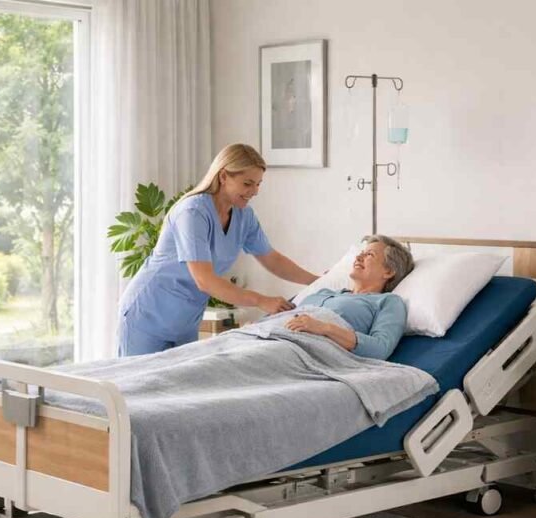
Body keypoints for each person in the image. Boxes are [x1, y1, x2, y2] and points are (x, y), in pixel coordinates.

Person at [117, 143, 318, 356]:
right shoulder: (193, 213)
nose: (255, 192)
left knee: (184, 388)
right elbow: (204, 280)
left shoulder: (244, 216)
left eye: (258, 184)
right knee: (136, 387)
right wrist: (262, 301)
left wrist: (318, 280)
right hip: (148, 316)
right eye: (248, 183)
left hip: (184, 322)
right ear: (223, 177)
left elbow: (272, 259)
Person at [284, 235, 413, 360]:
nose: (358, 257)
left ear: (389, 271)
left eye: (369, 254)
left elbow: (380, 348)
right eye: (361, 252)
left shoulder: (388, 302)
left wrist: (325, 328)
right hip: (273, 335)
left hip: (301, 351)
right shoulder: (324, 292)